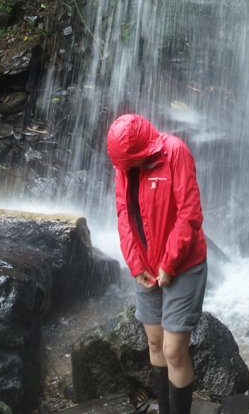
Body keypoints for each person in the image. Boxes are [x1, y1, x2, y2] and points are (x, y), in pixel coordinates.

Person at [107, 113, 207, 414]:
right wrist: (136, 264)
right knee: (155, 344)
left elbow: (190, 214)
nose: (124, 169)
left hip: (184, 263)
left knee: (174, 350)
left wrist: (169, 263)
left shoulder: (175, 152)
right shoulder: (122, 167)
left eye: (128, 163)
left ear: (142, 151)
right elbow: (123, 216)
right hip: (147, 268)